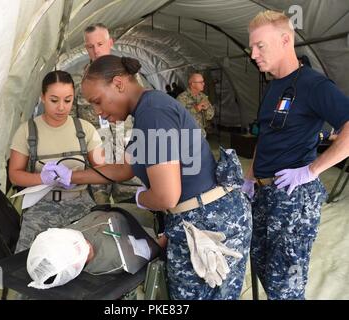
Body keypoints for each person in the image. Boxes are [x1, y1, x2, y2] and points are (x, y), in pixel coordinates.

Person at [42, 55, 252, 300]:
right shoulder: (146, 112)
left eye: (98, 102)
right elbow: (124, 169)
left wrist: (142, 198)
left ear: (119, 84)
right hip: (199, 216)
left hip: (210, 222)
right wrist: (71, 175)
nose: (99, 112)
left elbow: (166, 196)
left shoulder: (153, 113)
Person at [242, 10, 349, 300]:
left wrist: (312, 171)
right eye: (251, 47)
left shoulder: (313, 84)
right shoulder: (274, 85)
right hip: (265, 195)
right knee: (263, 267)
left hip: (293, 198)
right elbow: (265, 136)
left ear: (285, 39)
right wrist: (251, 178)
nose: (253, 54)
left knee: (286, 287)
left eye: (259, 46)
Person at [9, 70, 105, 253]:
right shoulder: (27, 131)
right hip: (41, 207)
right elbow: (15, 174)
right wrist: (42, 179)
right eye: (54, 100)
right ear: (43, 97)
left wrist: (74, 176)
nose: (61, 107)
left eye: (67, 100)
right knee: (27, 259)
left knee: (89, 256)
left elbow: (103, 171)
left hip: (80, 203)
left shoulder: (85, 130)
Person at [74, 23, 142, 203]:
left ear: (110, 42)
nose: (96, 50)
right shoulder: (79, 81)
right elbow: (73, 122)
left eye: (100, 44)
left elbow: (140, 113)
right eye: (90, 46)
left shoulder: (127, 75)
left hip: (125, 150)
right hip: (97, 154)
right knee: (98, 208)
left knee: (131, 208)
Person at [26, 205, 163, 289]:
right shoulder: (116, 257)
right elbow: (156, 246)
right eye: (77, 250)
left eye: (71, 240)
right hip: (148, 220)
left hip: (123, 207)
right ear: (73, 268)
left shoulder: (64, 236)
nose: (83, 244)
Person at [177, 73, 215, 138]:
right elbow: (178, 116)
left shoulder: (203, 97)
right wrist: (196, 109)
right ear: (192, 84)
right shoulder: (182, 98)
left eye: (203, 81)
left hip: (201, 134)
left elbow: (210, 116)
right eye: (201, 82)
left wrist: (207, 109)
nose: (204, 84)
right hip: (187, 134)